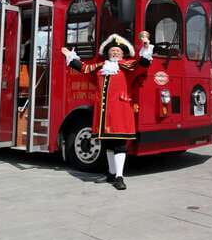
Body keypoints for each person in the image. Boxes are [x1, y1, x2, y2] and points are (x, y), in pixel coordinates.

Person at [61, 31, 152, 190]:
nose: (115, 52)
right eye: (112, 51)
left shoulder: (128, 67)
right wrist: (70, 56)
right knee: (108, 143)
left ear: (123, 54)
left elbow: (144, 63)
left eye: (118, 51)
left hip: (120, 111)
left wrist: (145, 45)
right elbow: (84, 68)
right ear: (107, 53)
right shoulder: (100, 67)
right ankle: (111, 174)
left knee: (119, 144)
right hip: (104, 114)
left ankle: (119, 177)